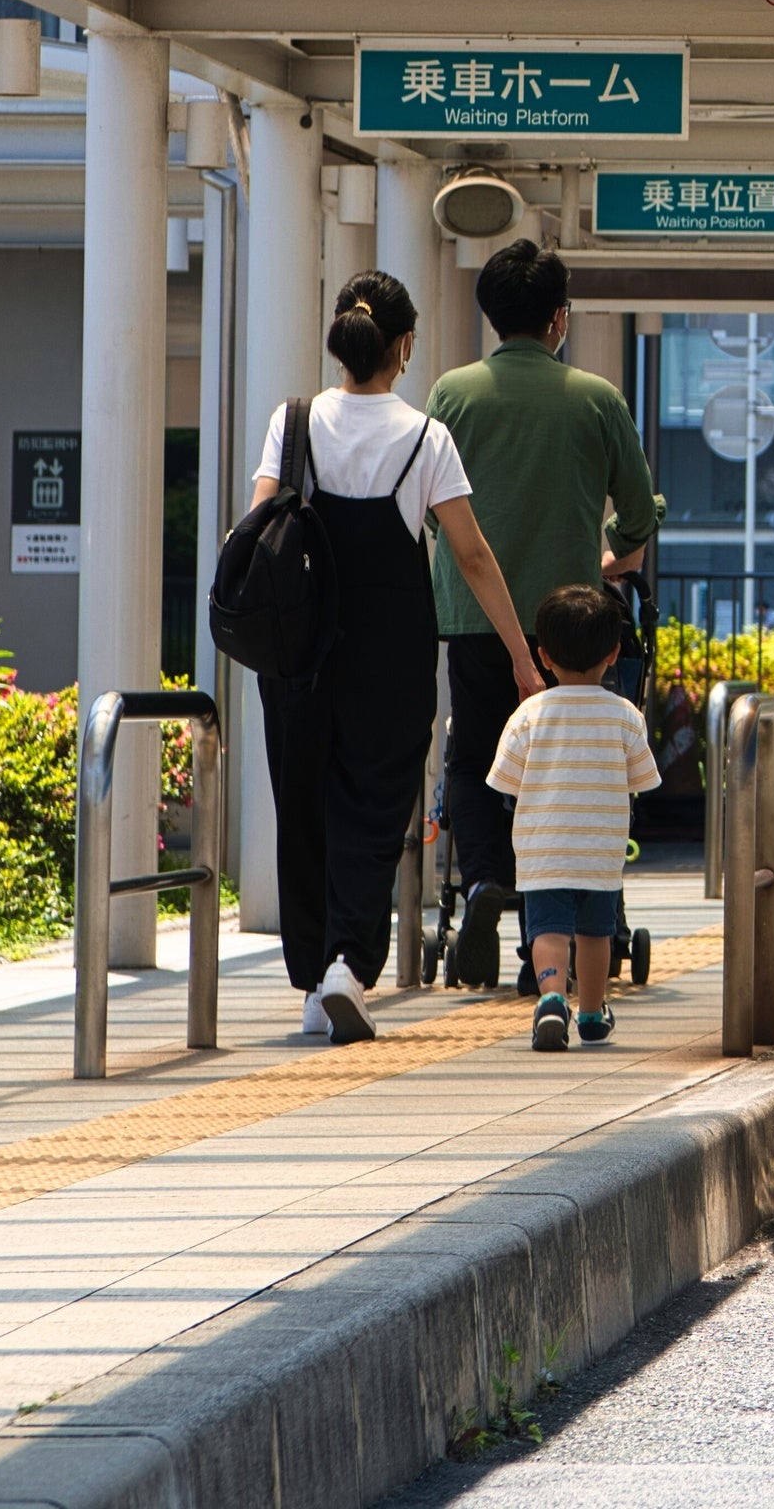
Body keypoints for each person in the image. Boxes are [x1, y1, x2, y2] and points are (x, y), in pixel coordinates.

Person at [251, 271, 533, 1043]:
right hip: (391, 655)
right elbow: (471, 557)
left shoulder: (294, 421)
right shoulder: (424, 436)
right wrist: (520, 656)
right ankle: (347, 963)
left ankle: (314, 978)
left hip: (300, 655)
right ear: (403, 346)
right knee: (374, 810)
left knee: (303, 804)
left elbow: (258, 524)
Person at [426, 239, 664, 982]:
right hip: (572, 626)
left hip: (472, 617)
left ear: (490, 314)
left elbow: (435, 511)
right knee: (566, 778)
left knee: (473, 758)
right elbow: (637, 514)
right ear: (559, 318)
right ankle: (548, 945)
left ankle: (488, 875)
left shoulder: (452, 394)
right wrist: (610, 555)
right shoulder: (596, 398)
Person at [485, 583, 660, 1049]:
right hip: (600, 852)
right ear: (614, 653)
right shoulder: (625, 716)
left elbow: (504, 782)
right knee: (596, 934)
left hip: (543, 850)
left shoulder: (528, 715)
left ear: (543, 656)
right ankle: (590, 1013)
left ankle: (550, 999)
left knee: (548, 931)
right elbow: (643, 779)